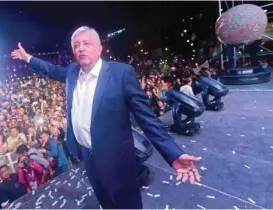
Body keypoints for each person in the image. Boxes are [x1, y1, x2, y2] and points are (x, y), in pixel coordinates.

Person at [11, 26, 202, 209]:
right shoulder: (71, 72)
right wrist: (27, 57)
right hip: (88, 155)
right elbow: (51, 69)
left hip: (118, 158)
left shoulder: (120, 73)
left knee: (127, 204)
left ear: (99, 48)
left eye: (86, 43)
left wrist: (173, 154)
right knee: (104, 199)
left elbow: (147, 118)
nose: (81, 48)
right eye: (76, 45)